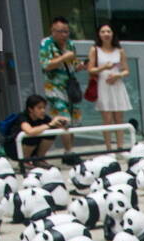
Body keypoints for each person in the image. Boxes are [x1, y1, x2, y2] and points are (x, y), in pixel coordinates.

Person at [39, 16, 84, 159]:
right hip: (54, 88)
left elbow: (74, 64)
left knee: (72, 119)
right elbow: (45, 65)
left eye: (66, 31)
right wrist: (64, 58)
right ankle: (68, 151)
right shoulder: (46, 43)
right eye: (60, 31)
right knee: (63, 117)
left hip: (70, 87)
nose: (63, 35)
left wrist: (81, 65)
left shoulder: (70, 44)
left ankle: (70, 150)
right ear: (53, 31)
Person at [87, 23, 131, 152]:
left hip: (116, 84)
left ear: (113, 34)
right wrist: (104, 67)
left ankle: (120, 148)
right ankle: (108, 149)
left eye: (108, 31)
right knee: (107, 119)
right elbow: (90, 69)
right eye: (103, 32)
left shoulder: (119, 50)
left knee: (119, 118)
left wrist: (118, 75)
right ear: (99, 34)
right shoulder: (95, 49)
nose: (106, 34)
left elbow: (126, 70)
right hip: (103, 84)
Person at [14, 94, 68, 168]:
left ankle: (39, 159)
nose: (43, 110)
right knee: (32, 136)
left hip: (32, 146)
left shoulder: (43, 117)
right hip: (14, 148)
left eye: (44, 108)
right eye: (39, 108)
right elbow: (29, 131)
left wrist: (61, 122)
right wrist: (50, 124)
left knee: (51, 133)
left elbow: (53, 125)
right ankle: (24, 162)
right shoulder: (22, 117)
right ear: (30, 109)